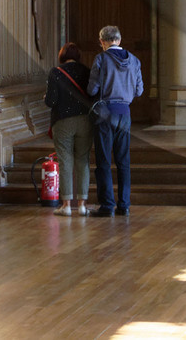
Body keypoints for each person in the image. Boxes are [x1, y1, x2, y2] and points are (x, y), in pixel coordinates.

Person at [87, 25, 144, 217]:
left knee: (103, 160)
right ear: (119, 40)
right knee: (123, 161)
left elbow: (92, 89)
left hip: (105, 113)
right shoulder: (134, 60)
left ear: (102, 42)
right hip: (125, 113)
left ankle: (107, 206)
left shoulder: (101, 59)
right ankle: (124, 205)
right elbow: (139, 91)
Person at [43, 42, 93, 216]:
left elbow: (51, 101)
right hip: (85, 120)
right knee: (83, 160)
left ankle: (66, 205)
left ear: (62, 56)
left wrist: (46, 96)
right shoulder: (86, 71)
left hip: (62, 121)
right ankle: (82, 205)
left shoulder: (56, 72)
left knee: (65, 161)